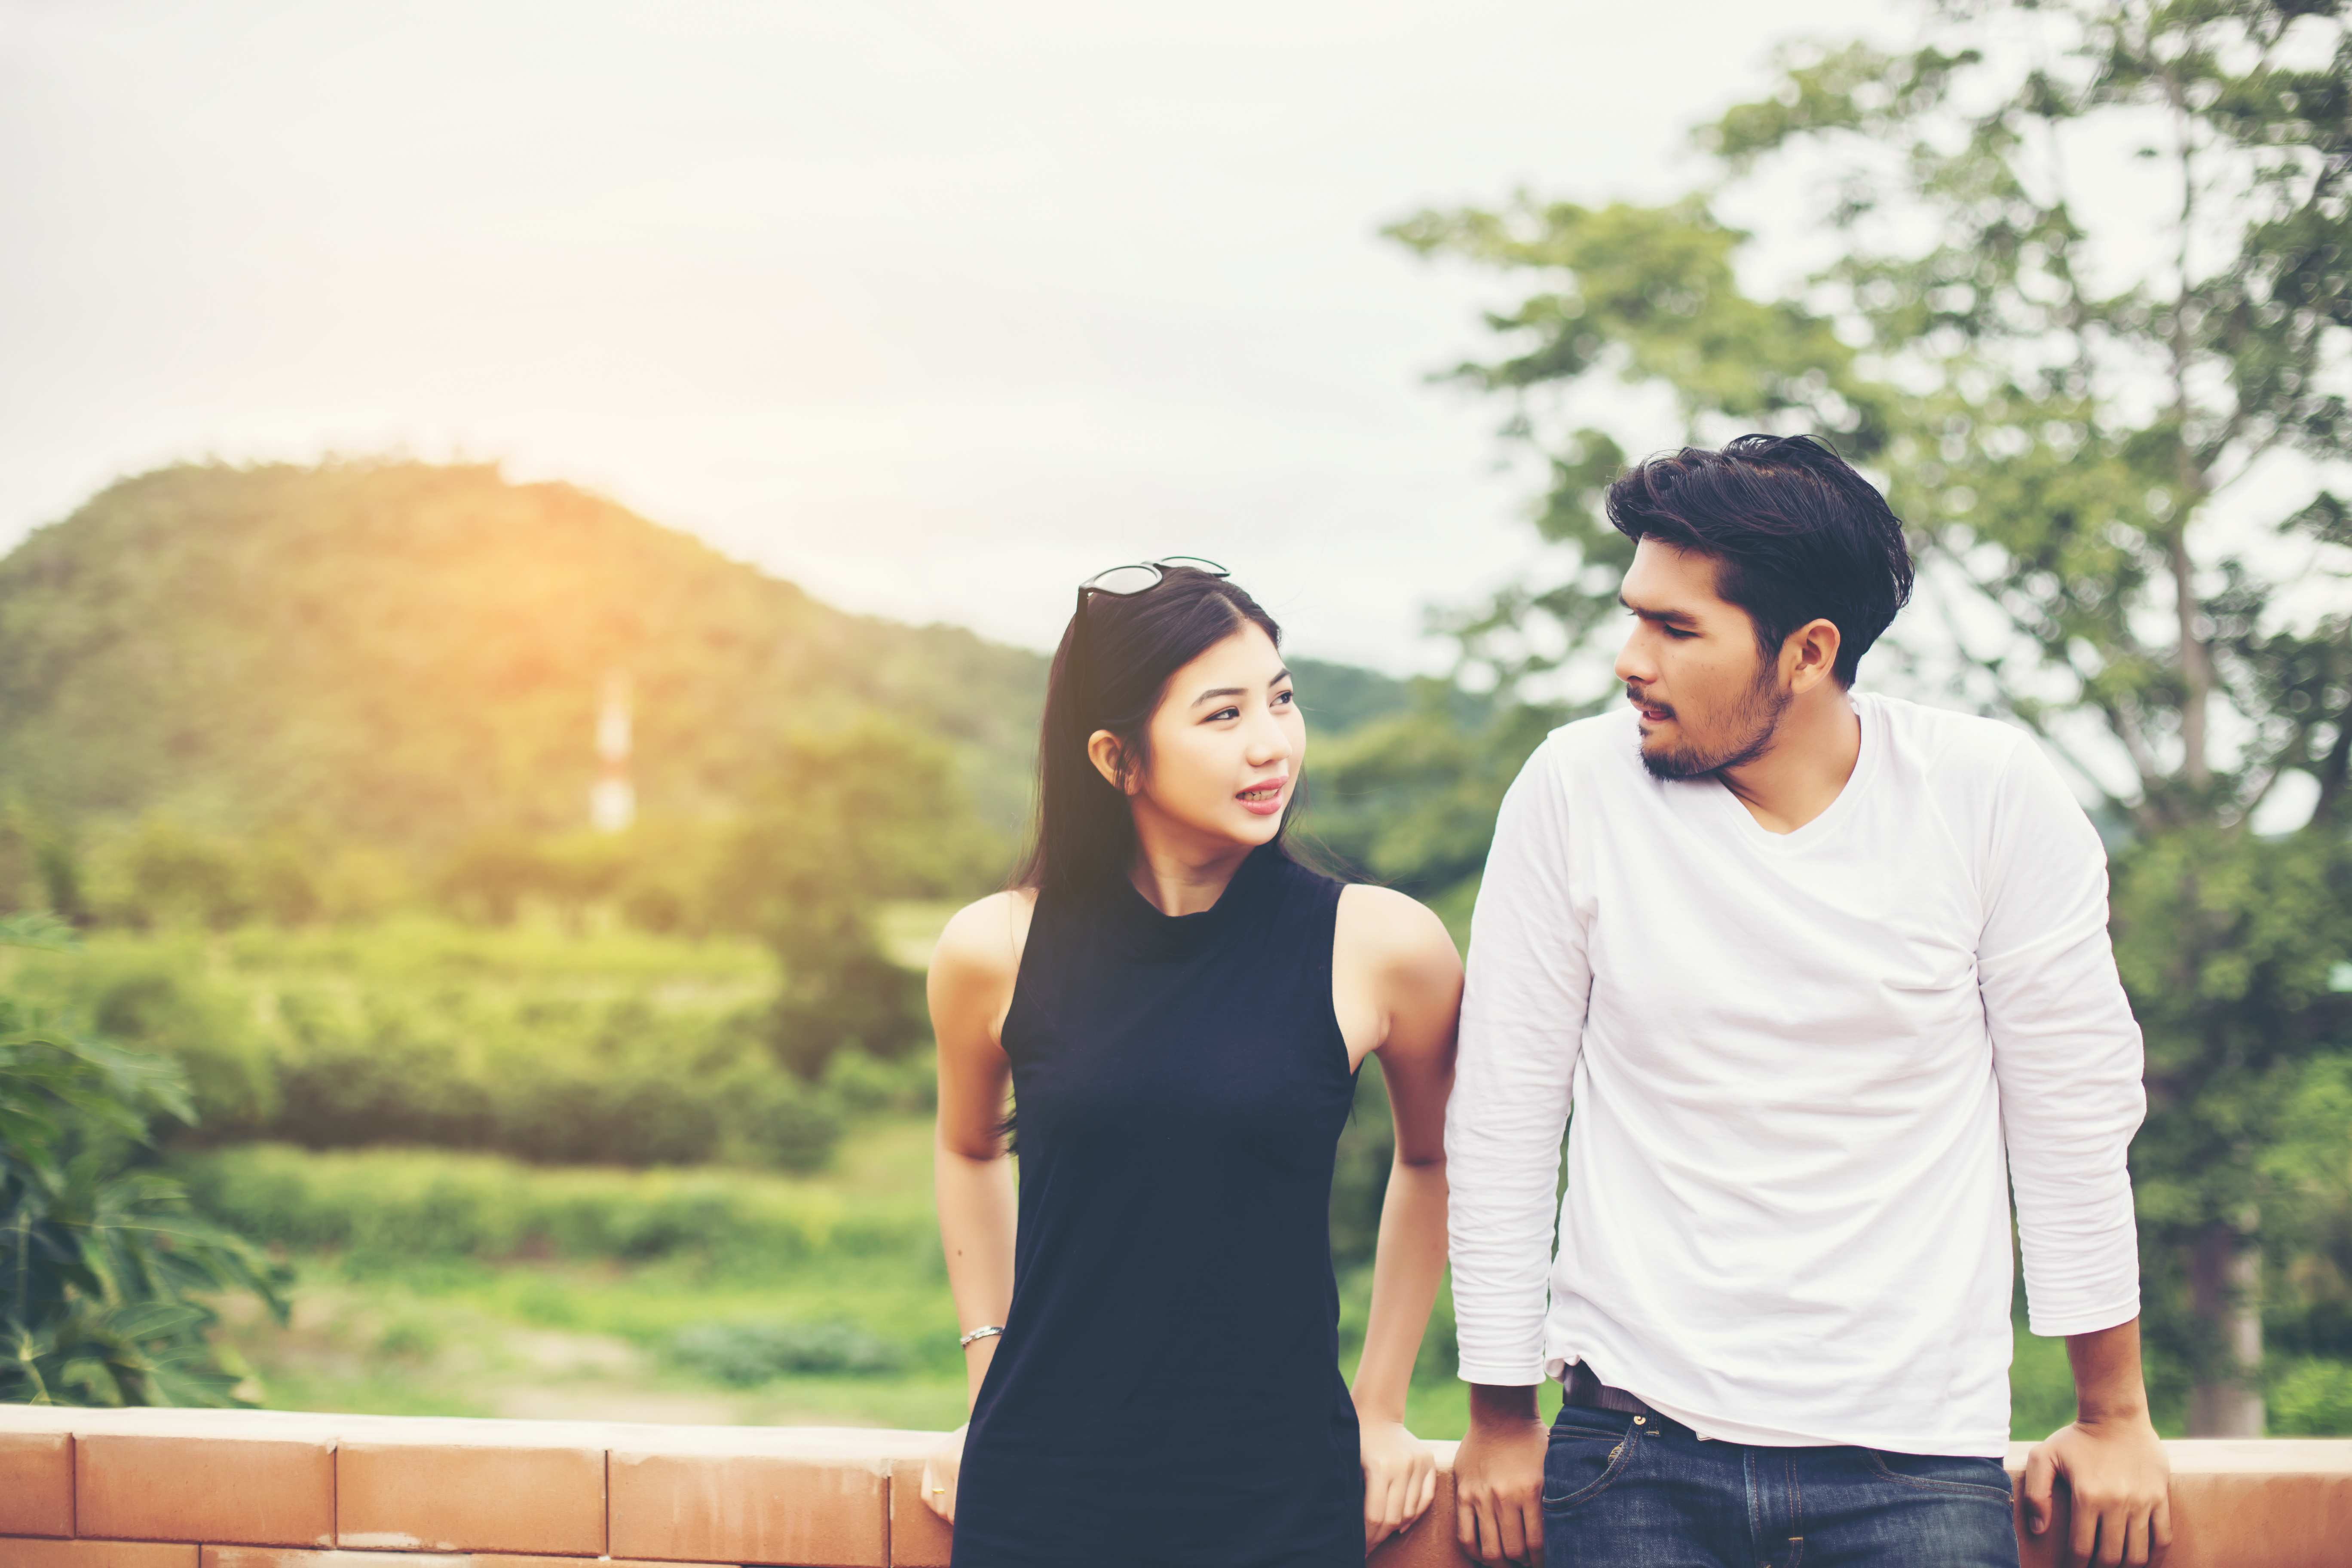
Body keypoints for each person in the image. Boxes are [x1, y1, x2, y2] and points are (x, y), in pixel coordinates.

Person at [1445, 436, 2174, 1568]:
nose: (1630, 659)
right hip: (1630, 1444)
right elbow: (1502, 1115)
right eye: (1636, 613)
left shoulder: (1988, 797)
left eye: (1677, 629)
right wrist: (1498, 1417)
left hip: (1916, 1459)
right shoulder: (1572, 788)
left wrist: (2113, 1415)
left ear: (1807, 653)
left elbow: (2072, 1114)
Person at [920, 560, 1462, 1567]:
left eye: (1282, 699)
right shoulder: (993, 948)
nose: (1272, 744)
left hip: (1280, 1485)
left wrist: (1381, 1408)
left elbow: (1435, 1162)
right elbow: (967, 1152)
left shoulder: (1383, 945)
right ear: (1118, 759)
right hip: (1039, 1484)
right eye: (1223, 716)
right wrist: (987, 1381)